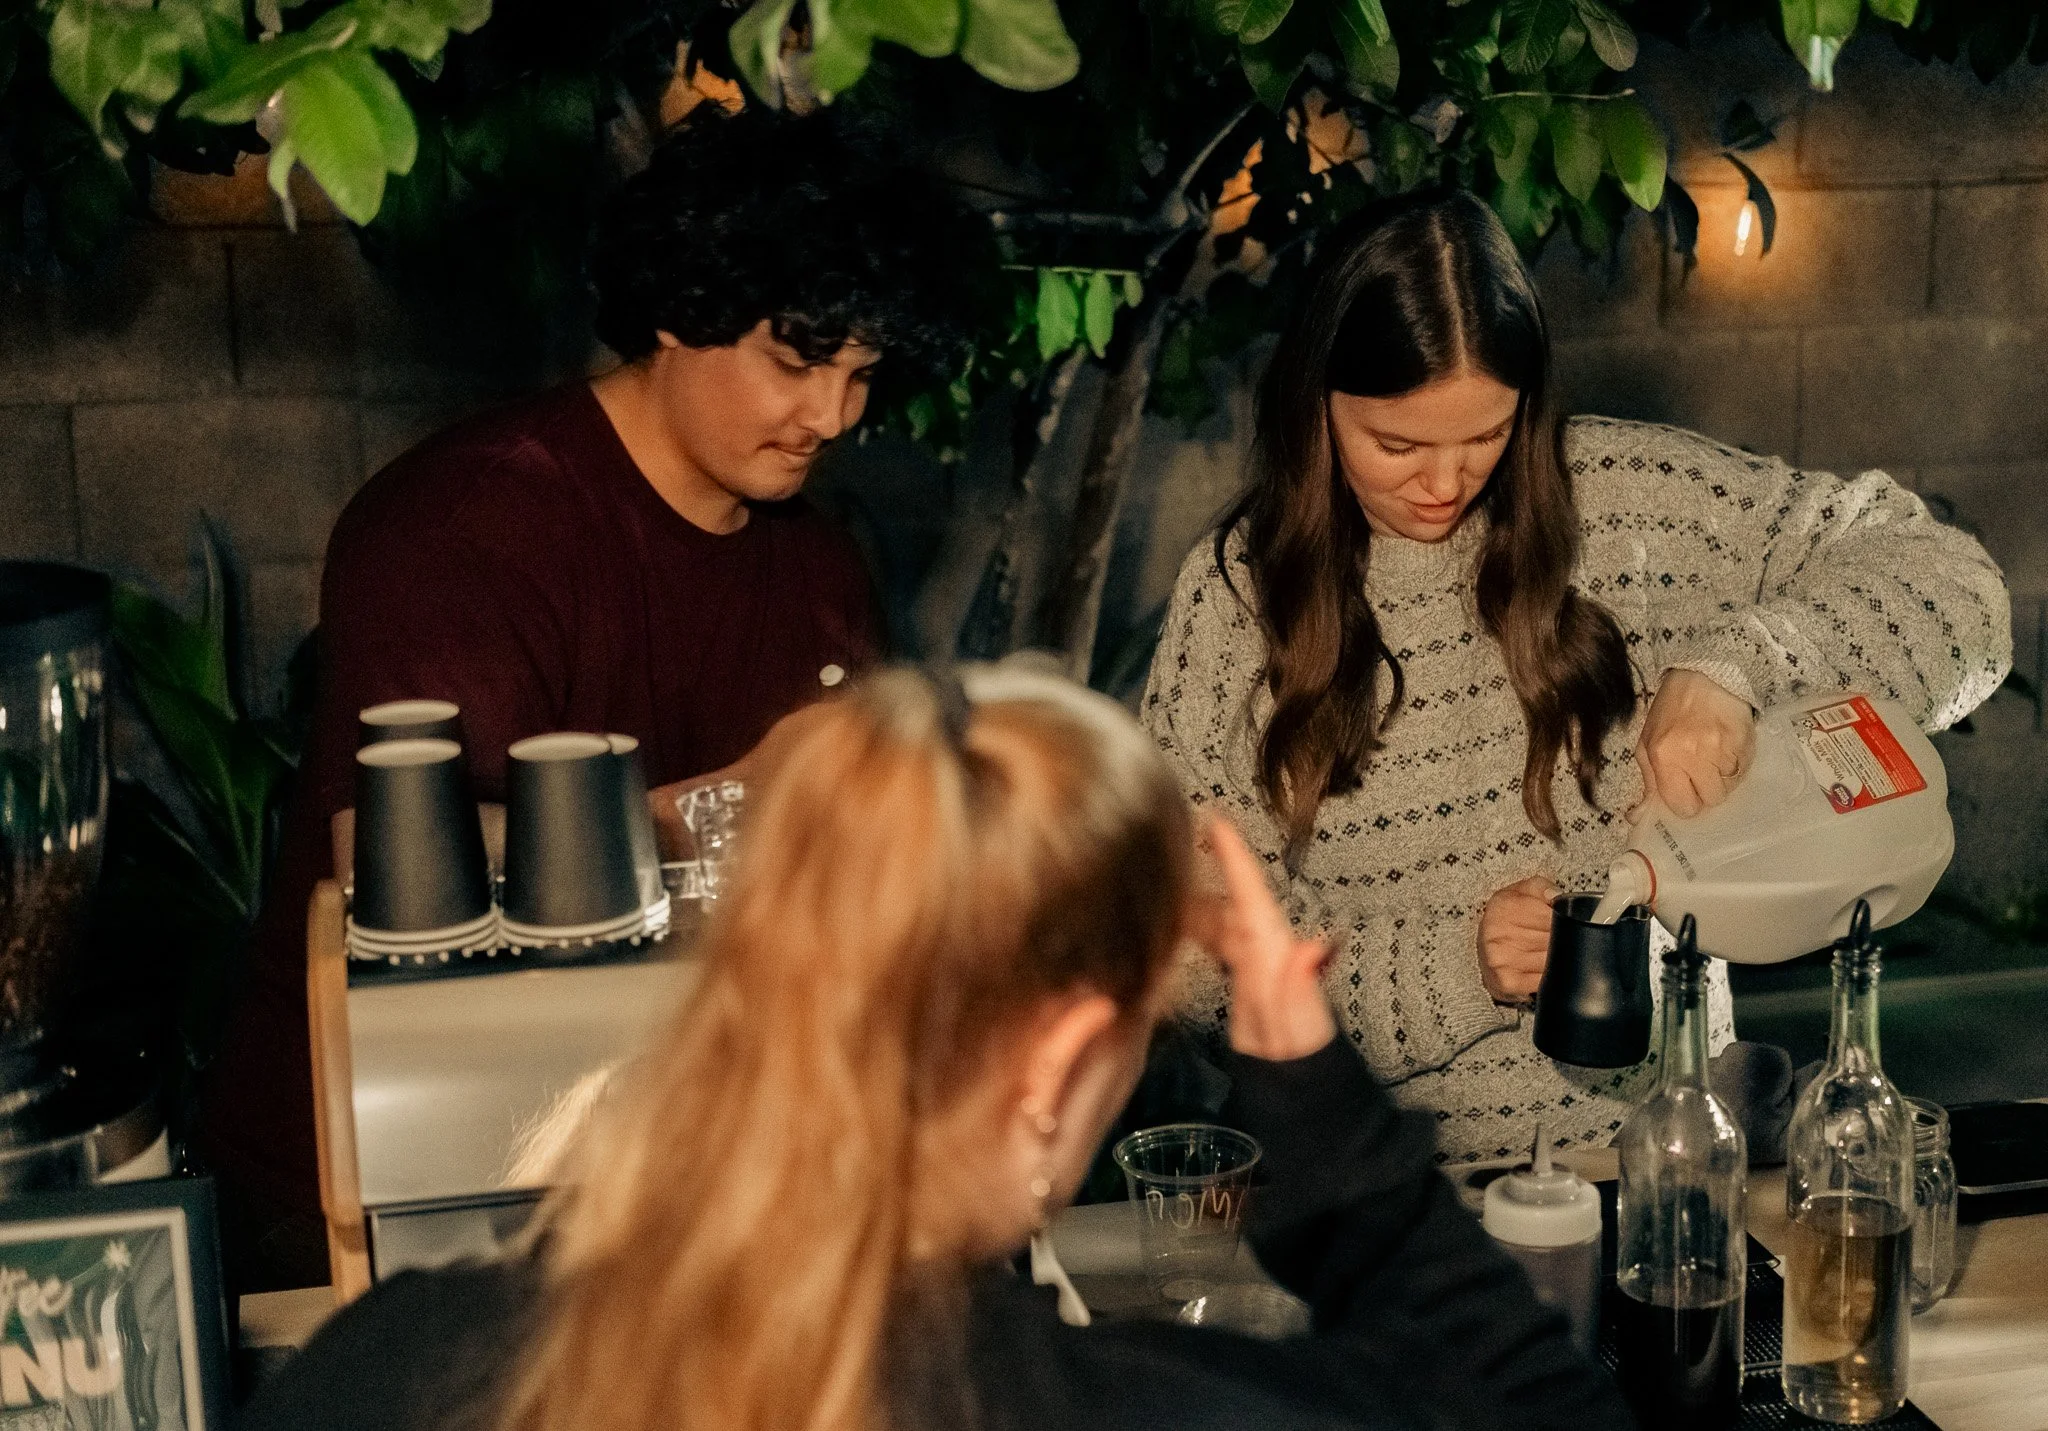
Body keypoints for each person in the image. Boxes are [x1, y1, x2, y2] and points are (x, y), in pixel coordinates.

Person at [237, 664, 1633, 1431]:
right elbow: (1539, 1401)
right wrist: (1326, 1113)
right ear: (1059, 1056)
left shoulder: (385, 1366)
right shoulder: (1167, 1407)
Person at [201, 105, 989, 1289]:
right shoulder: (468, 525)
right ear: (679, 309)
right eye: (796, 361)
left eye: (862, 374)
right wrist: (728, 805)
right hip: (381, 1196)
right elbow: (389, 864)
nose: (832, 418)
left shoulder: (817, 557)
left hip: (656, 1177)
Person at [1142, 189, 2011, 1166]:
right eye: (1396, 445)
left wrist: (1735, 666)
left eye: (1484, 436)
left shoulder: (1640, 507)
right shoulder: (1237, 597)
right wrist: (1454, 965)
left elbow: (1957, 596)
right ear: (1315, 406)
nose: (1442, 483)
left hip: (1667, 1174)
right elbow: (1196, 970)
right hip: (1383, 1216)